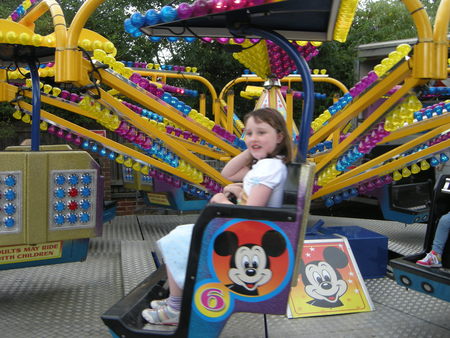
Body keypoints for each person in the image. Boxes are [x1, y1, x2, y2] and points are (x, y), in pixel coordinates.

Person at [142, 107, 293, 325]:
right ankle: (176, 300)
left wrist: (222, 202)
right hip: (246, 232)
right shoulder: (268, 164)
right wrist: (250, 158)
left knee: (177, 240)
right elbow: (228, 174)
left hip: (248, 237)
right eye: (249, 133)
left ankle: (176, 308)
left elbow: (252, 212)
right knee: (180, 235)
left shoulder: (268, 168)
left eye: (261, 132)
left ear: (279, 136)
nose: (253, 138)